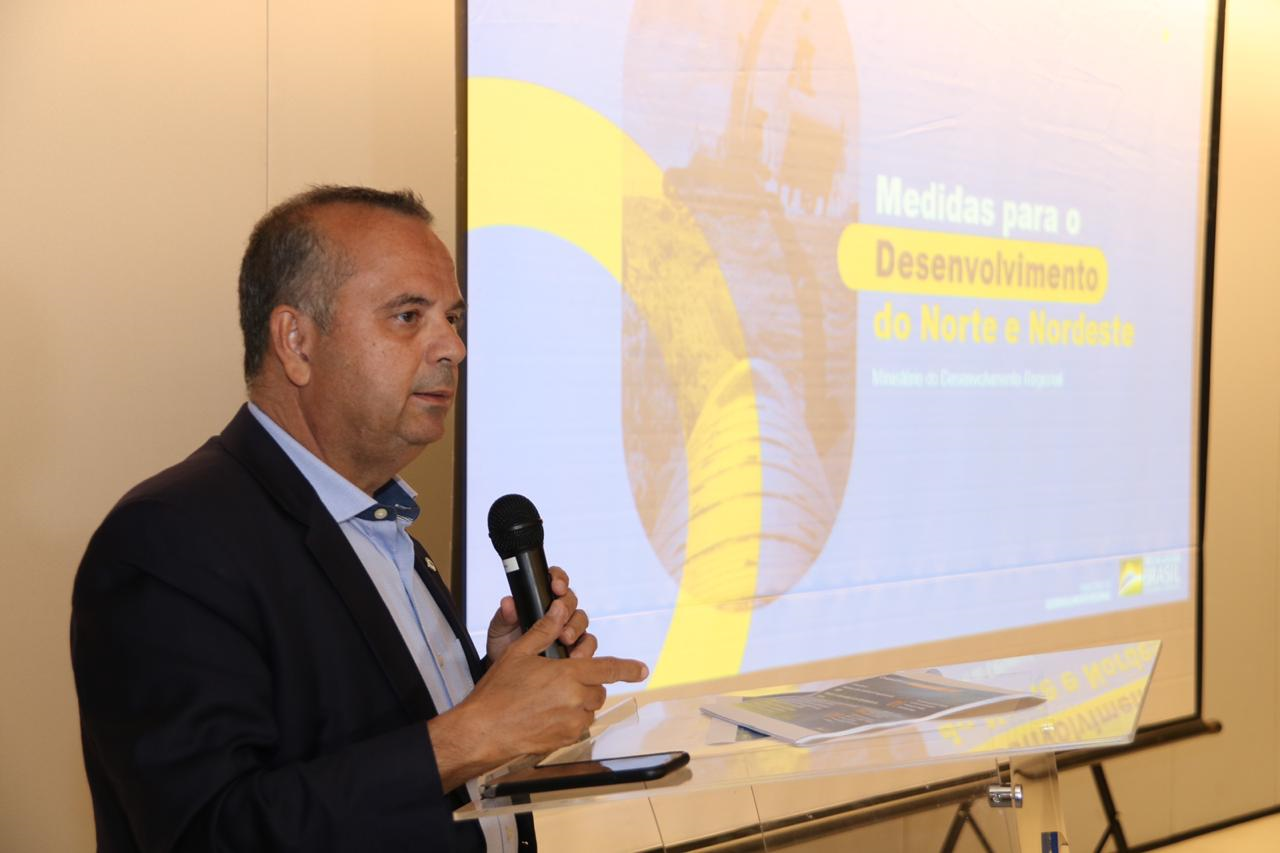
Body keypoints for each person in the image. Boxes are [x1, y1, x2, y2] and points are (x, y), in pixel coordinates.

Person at [70, 186, 649, 852]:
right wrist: (477, 731)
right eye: (408, 316)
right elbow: (208, 832)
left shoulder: (380, 519)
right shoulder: (167, 542)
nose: (453, 347)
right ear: (296, 343)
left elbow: (369, 739)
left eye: (453, 318)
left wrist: (491, 686)